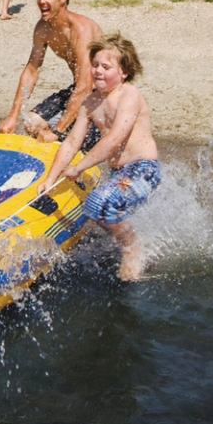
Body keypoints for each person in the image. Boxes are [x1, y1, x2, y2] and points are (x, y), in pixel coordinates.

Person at [35, 33, 161, 282]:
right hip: (120, 174)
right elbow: (72, 142)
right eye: (95, 65)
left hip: (143, 170)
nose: (98, 71)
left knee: (96, 204)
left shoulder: (129, 96)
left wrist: (79, 168)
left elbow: (114, 139)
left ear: (124, 72)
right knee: (98, 209)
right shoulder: (90, 102)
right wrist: (50, 179)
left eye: (106, 66)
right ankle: (123, 238)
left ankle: (133, 246)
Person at [0, 0, 103, 148]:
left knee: (71, 145)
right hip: (77, 90)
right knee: (32, 123)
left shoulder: (81, 30)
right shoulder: (43, 29)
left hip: (102, 97)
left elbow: (86, 86)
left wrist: (57, 131)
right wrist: (13, 116)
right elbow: (32, 70)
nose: (41, 2)